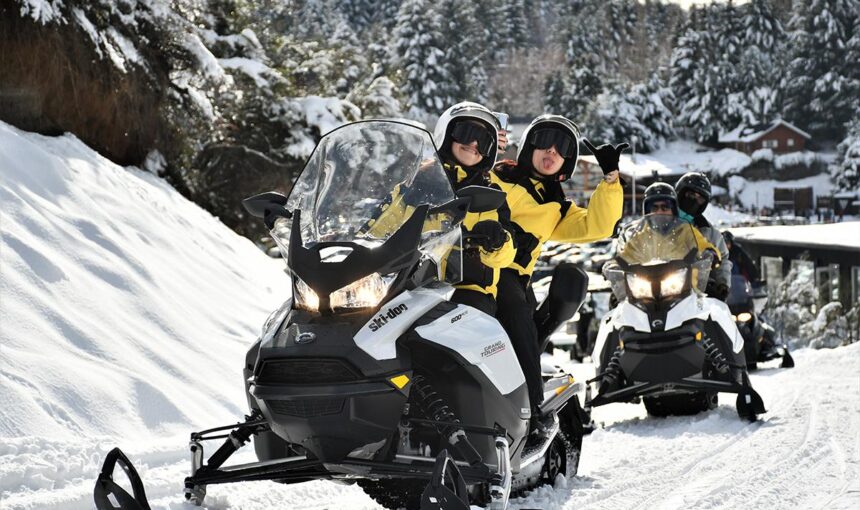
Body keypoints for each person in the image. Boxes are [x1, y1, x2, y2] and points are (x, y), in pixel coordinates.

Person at [492, 114, 624, 417]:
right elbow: (461, 179)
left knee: (517, 311)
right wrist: (488, 146)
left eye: (562, 147)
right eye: (544, 142)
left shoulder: (557, 207)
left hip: (508, 280)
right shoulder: (497, 174)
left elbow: (598, 225)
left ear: (568, 161)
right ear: (528, 146)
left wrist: (611, 180)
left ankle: (531, 409)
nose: (552, 151)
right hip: (458, 267)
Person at [431, 102, 517, 316]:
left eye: (485, 141)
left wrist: (497, 241)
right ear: (448, 134)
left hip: (467, 290)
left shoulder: (491, 193)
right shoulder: (418, 182)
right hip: (410, 285)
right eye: (467, 133)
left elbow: (507, 254)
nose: (474, 143)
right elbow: (382, 222)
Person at [674, 172, 733, 301]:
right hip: (655, 287)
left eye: (700, 198)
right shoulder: (661, 222)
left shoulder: (709, 233)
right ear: (679, 193)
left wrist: (721, 284)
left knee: (720, 318)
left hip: (697, 294)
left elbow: (723, 259)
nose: (694, 200)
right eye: (690, 195)